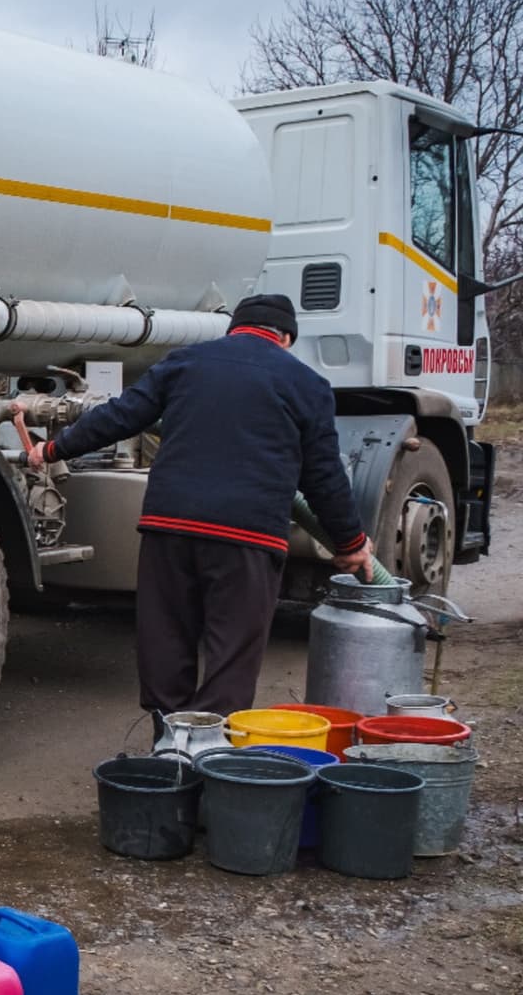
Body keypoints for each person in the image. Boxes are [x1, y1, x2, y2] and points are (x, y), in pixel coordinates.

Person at [30, 293, 374, 720]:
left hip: (169, 527)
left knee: (166, 639)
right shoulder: (306, 384)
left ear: (234, 329)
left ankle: (168, 746)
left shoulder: (185, 363)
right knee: (231, 653)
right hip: (247, 538)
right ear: (286, 337)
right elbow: (324, 476)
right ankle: (209, 756)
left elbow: (119, 416)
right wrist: (351, 541)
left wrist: (52, 449)